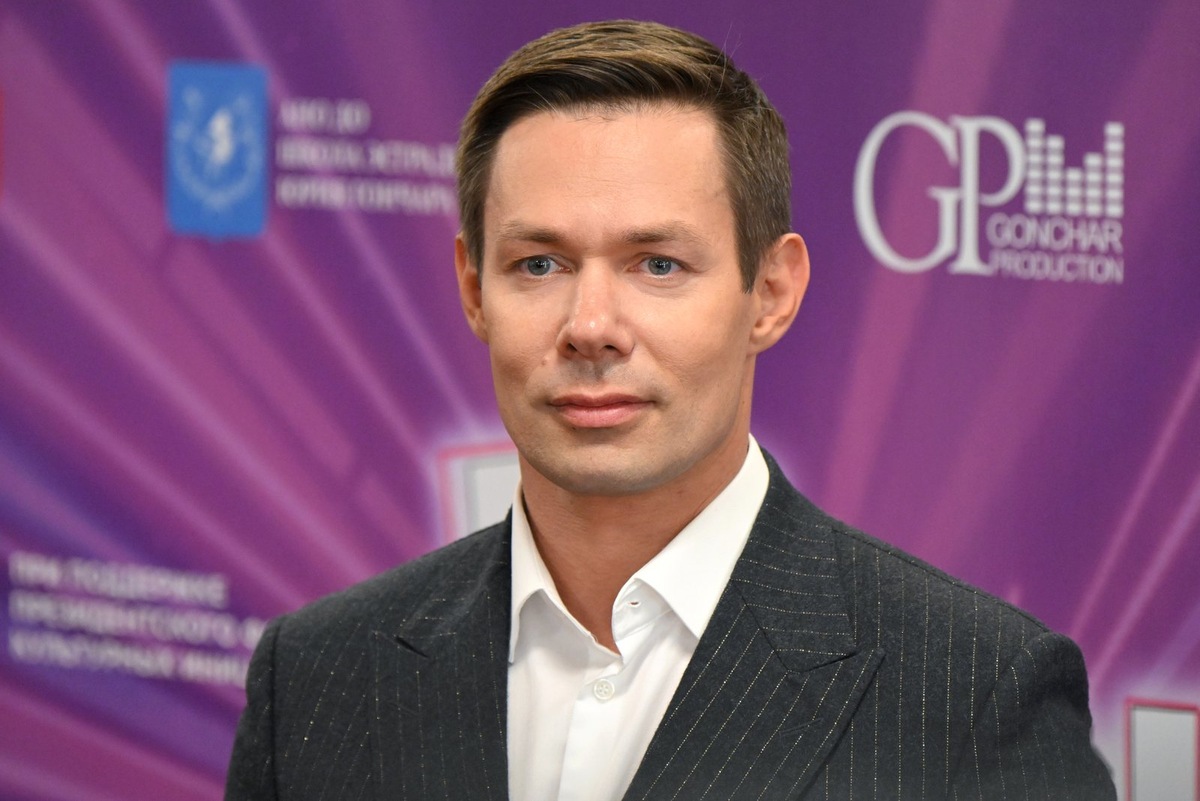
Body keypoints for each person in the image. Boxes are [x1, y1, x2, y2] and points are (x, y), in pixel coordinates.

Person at [225, 20, 1115, 800]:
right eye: (539, 264)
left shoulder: (975, 696)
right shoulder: (315, 676)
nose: (591, 327)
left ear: (771, 292)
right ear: (472, 288)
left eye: (658, 265)